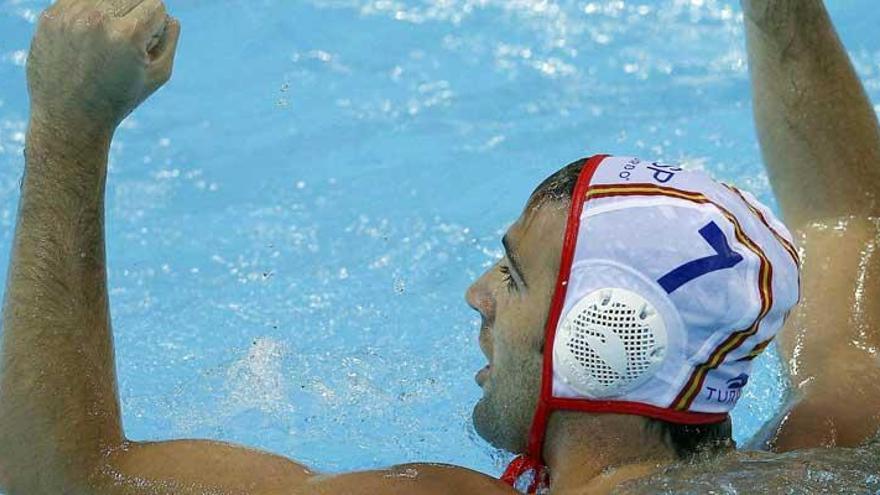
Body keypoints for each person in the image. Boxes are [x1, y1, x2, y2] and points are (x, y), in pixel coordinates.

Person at [0, 0, 877, 493]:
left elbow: (68, 482)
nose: (477, 294)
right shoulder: (829, 448)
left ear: (606, 340)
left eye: (514, 272)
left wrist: (70, 131)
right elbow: (854, 223)